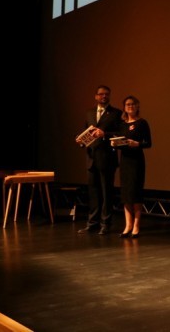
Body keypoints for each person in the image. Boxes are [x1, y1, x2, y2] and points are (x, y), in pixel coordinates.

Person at [76, 85, 122, 235]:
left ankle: (105, 224)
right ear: (96, 96)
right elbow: (86, 131)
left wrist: (105, 134)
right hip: (91, 158)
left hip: (107, 159)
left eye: (107, 94)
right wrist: (81, 141)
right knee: (93, 193)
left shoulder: (116, 113)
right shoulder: (89, 112)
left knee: (107, 193)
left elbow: (120, 134)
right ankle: (92, 223)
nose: (104, 96)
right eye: (101, 94)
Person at [112, 95, 152, 238]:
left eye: (133, 104)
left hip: (136, 161)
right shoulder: (121, 125)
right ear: (124, 107)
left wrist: (137, 144)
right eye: (128, 104)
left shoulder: (142, 123)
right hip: (125, 161)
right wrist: (114, 144)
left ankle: (136, 225)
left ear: (137, 106)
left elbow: (148, 143)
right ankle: (128, 225)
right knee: (126, 193)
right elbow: (119, 142)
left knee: (135, 193)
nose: (131, 106)